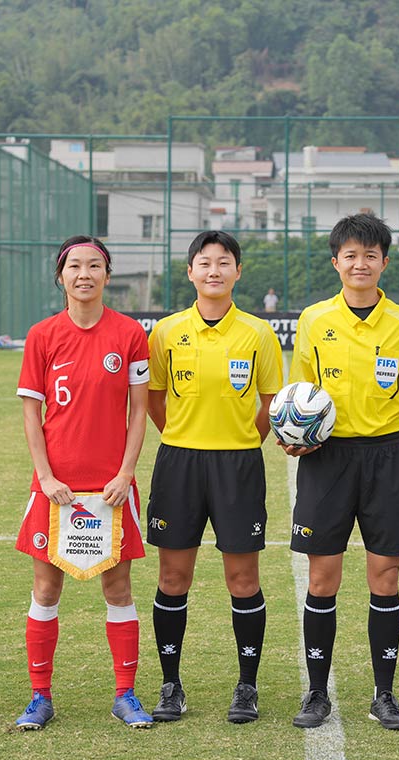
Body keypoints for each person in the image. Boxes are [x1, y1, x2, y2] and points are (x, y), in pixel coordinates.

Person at [283, 213, 399, 731]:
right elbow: (299, 394)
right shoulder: (314, 320)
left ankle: (383, 695)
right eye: (350, 255)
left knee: (385, 576)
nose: (360, 264)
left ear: (384, 262)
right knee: (322, 578)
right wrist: (293, 434)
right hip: (326, 458)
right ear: (336, 262)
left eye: (370, 255)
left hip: (389, 457)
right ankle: (316, 693)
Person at [12, 235, 154, 731]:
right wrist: (47, 477)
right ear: (61, 276)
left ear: (107, 275)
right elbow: (31, 415)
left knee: (119, 587)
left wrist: (125, 473)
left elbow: (139, 411)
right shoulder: (42, 335)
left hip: (111, 488)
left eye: (95, 265)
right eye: (74, 266)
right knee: (45, 588)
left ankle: (125, 694)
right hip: (56, 489)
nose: (84, 274)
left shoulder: (130, 334)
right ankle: (40, 697)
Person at [146, 231, 283, 723]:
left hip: (238, 465)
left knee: (243, 579)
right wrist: (183, 436)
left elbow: (271, 402)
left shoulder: (258, 333)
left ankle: (247, 687)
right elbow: (154, 399)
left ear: (238, 272)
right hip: (179, 463)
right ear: (190, 272)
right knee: (172, 577)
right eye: (204, 263)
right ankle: (170, 685)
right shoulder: (166, 332)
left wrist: (242, 442)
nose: (214, 271)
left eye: (224, 262)